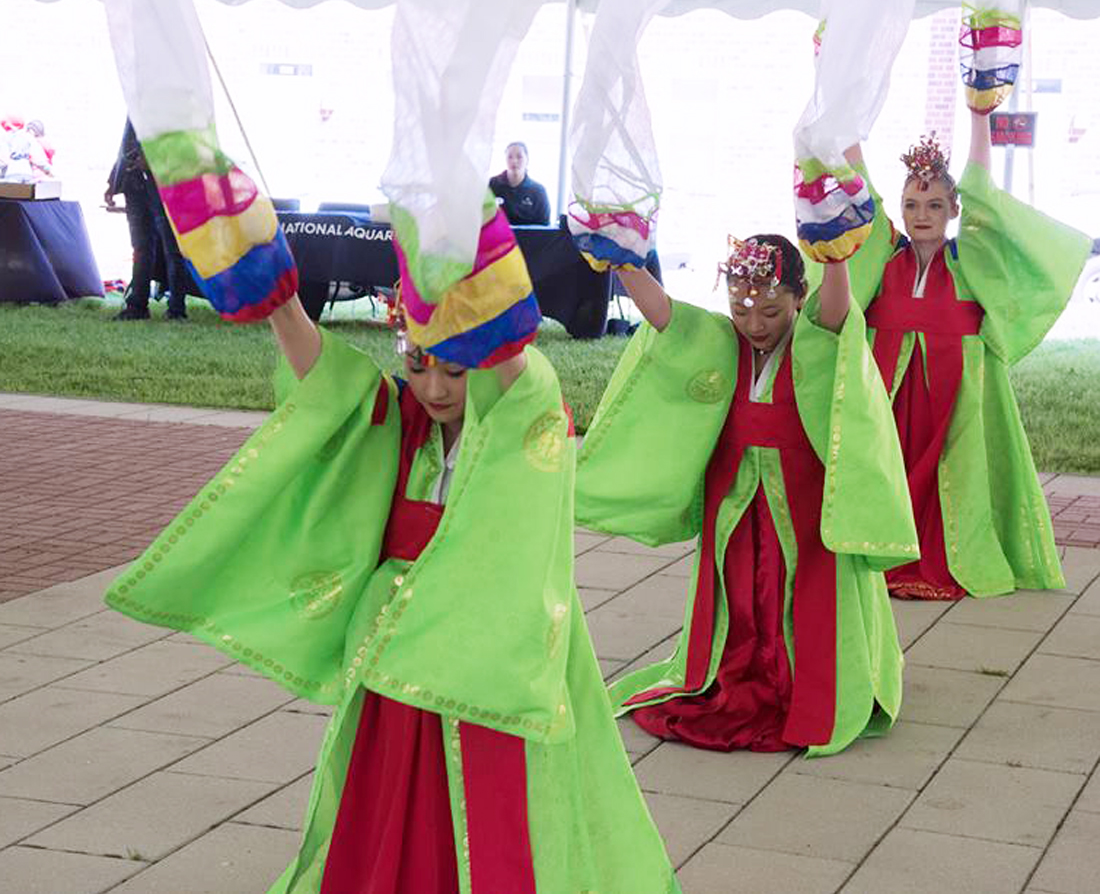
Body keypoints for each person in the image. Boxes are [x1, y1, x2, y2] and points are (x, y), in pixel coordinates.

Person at [103, 287, 681, 892]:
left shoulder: (521, 416)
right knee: (392, 775)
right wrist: (281, 302)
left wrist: (478, 271)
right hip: (397, 634)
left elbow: (518, 368)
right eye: (418, 365)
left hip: (491, 636)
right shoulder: (399, 418)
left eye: (455, 371)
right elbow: (327, 380)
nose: (434, 389)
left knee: (493, 784)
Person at [575, 237, 917, 756]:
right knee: (736, 591)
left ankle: (809, 687)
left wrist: (835, 253)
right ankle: (732, 671)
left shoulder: (815, 340)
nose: (754, 324)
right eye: (741, 308)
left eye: (771, 311)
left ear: (800, 297)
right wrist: (622, 259)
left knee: (803, 591)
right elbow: (665, 317)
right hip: (733, 493)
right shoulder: (720, 342)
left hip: (802, 498)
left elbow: (838, 310)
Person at [843, 111, 1091, 600]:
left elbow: (982, 192)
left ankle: (947, 556)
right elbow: (859, 192)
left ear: (953, 210)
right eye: (912, 204)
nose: (922, 215)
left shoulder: (968, 260)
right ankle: (881, 550)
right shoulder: (885, 255)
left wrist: (980, 117)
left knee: (953, 473)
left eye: (935, 205)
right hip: (889, 389)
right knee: (889, 464)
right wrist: (845, 117)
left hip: (957, 391)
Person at [105, 119, 190, 321]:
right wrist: (113, 182)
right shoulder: (135, 104)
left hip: (163, 181)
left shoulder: (168, 105)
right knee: (141, 247)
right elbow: (127, 141)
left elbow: (181, 139)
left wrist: (153, 159)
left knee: (172, 248)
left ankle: (177, 309)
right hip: (134, 181)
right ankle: (137, 305)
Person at [488, 141, 551, 225]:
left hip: (528, 234)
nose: (514, 161)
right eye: (510, 157)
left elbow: (544, 226)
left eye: (519, 157)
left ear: (527, 160)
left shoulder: (539, 191)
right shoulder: (491, 185)